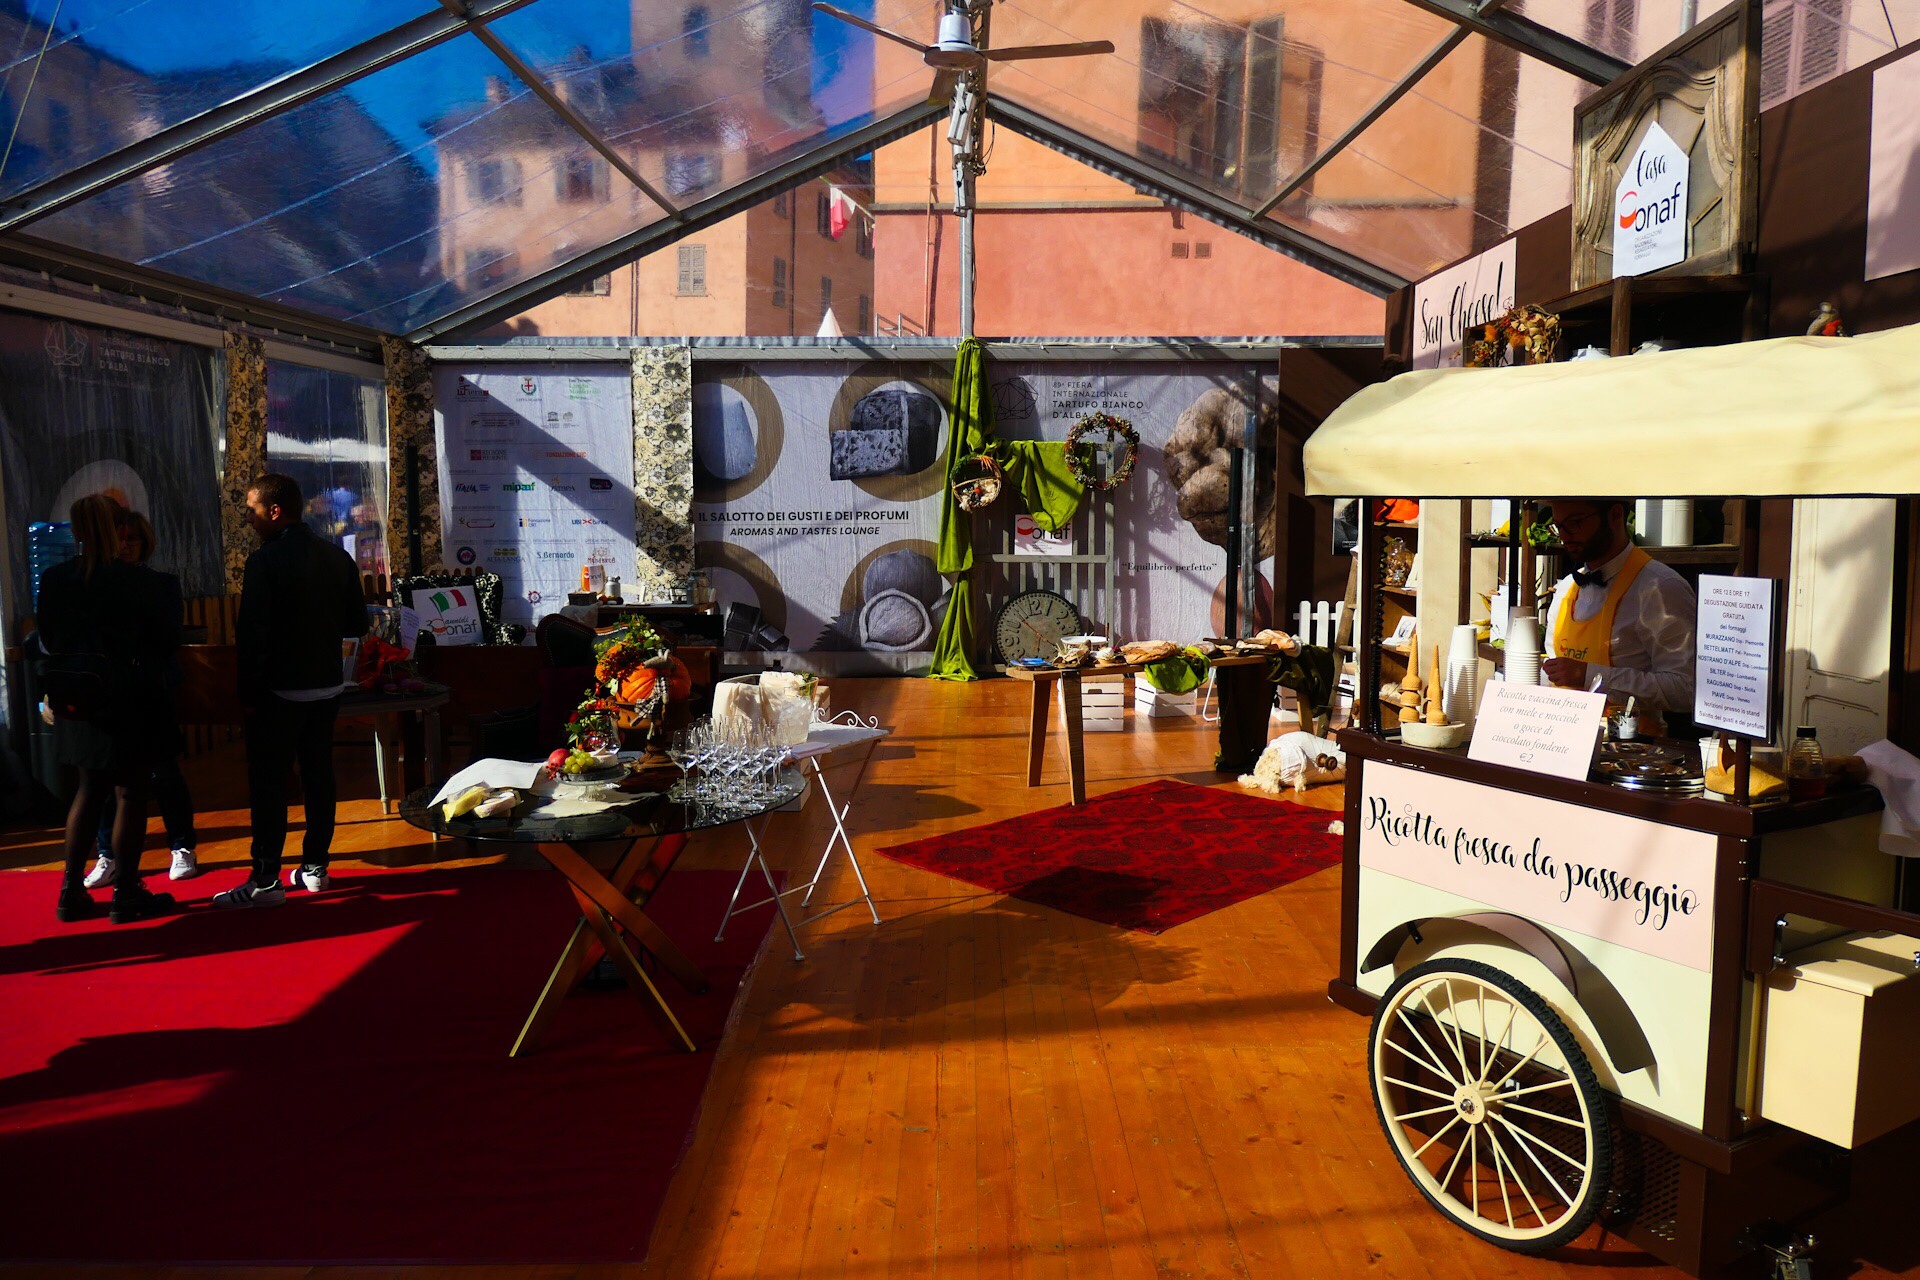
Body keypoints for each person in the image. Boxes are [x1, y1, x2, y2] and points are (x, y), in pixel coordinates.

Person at [212, 474, 368, 909]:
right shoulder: (337, 558)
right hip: (327, 685)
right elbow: (358, 623)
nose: (248, 516)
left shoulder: (265, 561)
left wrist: (247, 695)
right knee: (319, 775)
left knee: (269, 784)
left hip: (279, 690)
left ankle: (265, 880)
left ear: (274, 511)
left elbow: (252, 636)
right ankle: (316, 866)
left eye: (252, 509)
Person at [35, 493, 181, 924]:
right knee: (130, 793)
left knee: (88, 790)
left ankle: (70, 891)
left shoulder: (56, 578)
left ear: (77, 532)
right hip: (132, 698)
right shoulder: (141, 581)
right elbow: (166, 642)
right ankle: (126, 893)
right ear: (121, 531)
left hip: (79, 698)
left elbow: (50, 639)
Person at [79, 510, 200, 889]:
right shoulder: (94, 583)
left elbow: (169, 638)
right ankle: (107, 854)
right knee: (105, 777)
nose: (126, 545)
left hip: (151, 688)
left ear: (145, 543)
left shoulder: (162, 583)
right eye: (120, 537)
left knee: (163, 772)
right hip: (107, 692)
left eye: (133, 538)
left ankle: (182, 846)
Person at [1541, 498, 1697, 733]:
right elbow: (1553, 673)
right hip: (1563, 739)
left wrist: (1590, 676)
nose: (1564, 535)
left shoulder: (1661, 588)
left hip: (1632, 749)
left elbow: (1686, 689)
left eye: (1575, 522)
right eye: (1558, 526)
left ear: (1615, 515)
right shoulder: (1566, 589)